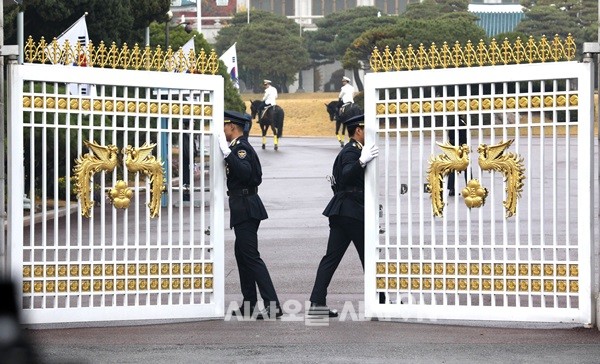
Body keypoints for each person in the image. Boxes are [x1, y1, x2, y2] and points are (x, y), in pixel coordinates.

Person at [307, 114, 379, 317]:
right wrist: (361, 162)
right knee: (369, 256)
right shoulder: (351, 151)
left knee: (331, 258)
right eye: (367, 130)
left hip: (344, 211)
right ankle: (380, 299)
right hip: (352, 212)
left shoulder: (352, 150)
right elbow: (347, 174)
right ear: (358, 130)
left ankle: (316, 303)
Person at [218, 110, 282, 320]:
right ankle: (249, 304)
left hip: (246, 206)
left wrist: (228, 154)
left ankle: (273, 305)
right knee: (242, 255)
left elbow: (246, 173)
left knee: (251, 258)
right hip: (243, 206)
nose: (223, 130)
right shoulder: (239, 147)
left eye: (225, 126)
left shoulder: (240, 148)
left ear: (233, 127)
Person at [447, 115, 468, 196]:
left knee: (453, 168)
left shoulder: (454, 122)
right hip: (460, 147)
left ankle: (451, 188)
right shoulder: (460, 122)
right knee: (467, 167)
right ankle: (470, 186)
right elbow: (462, 136)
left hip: (454, 147)